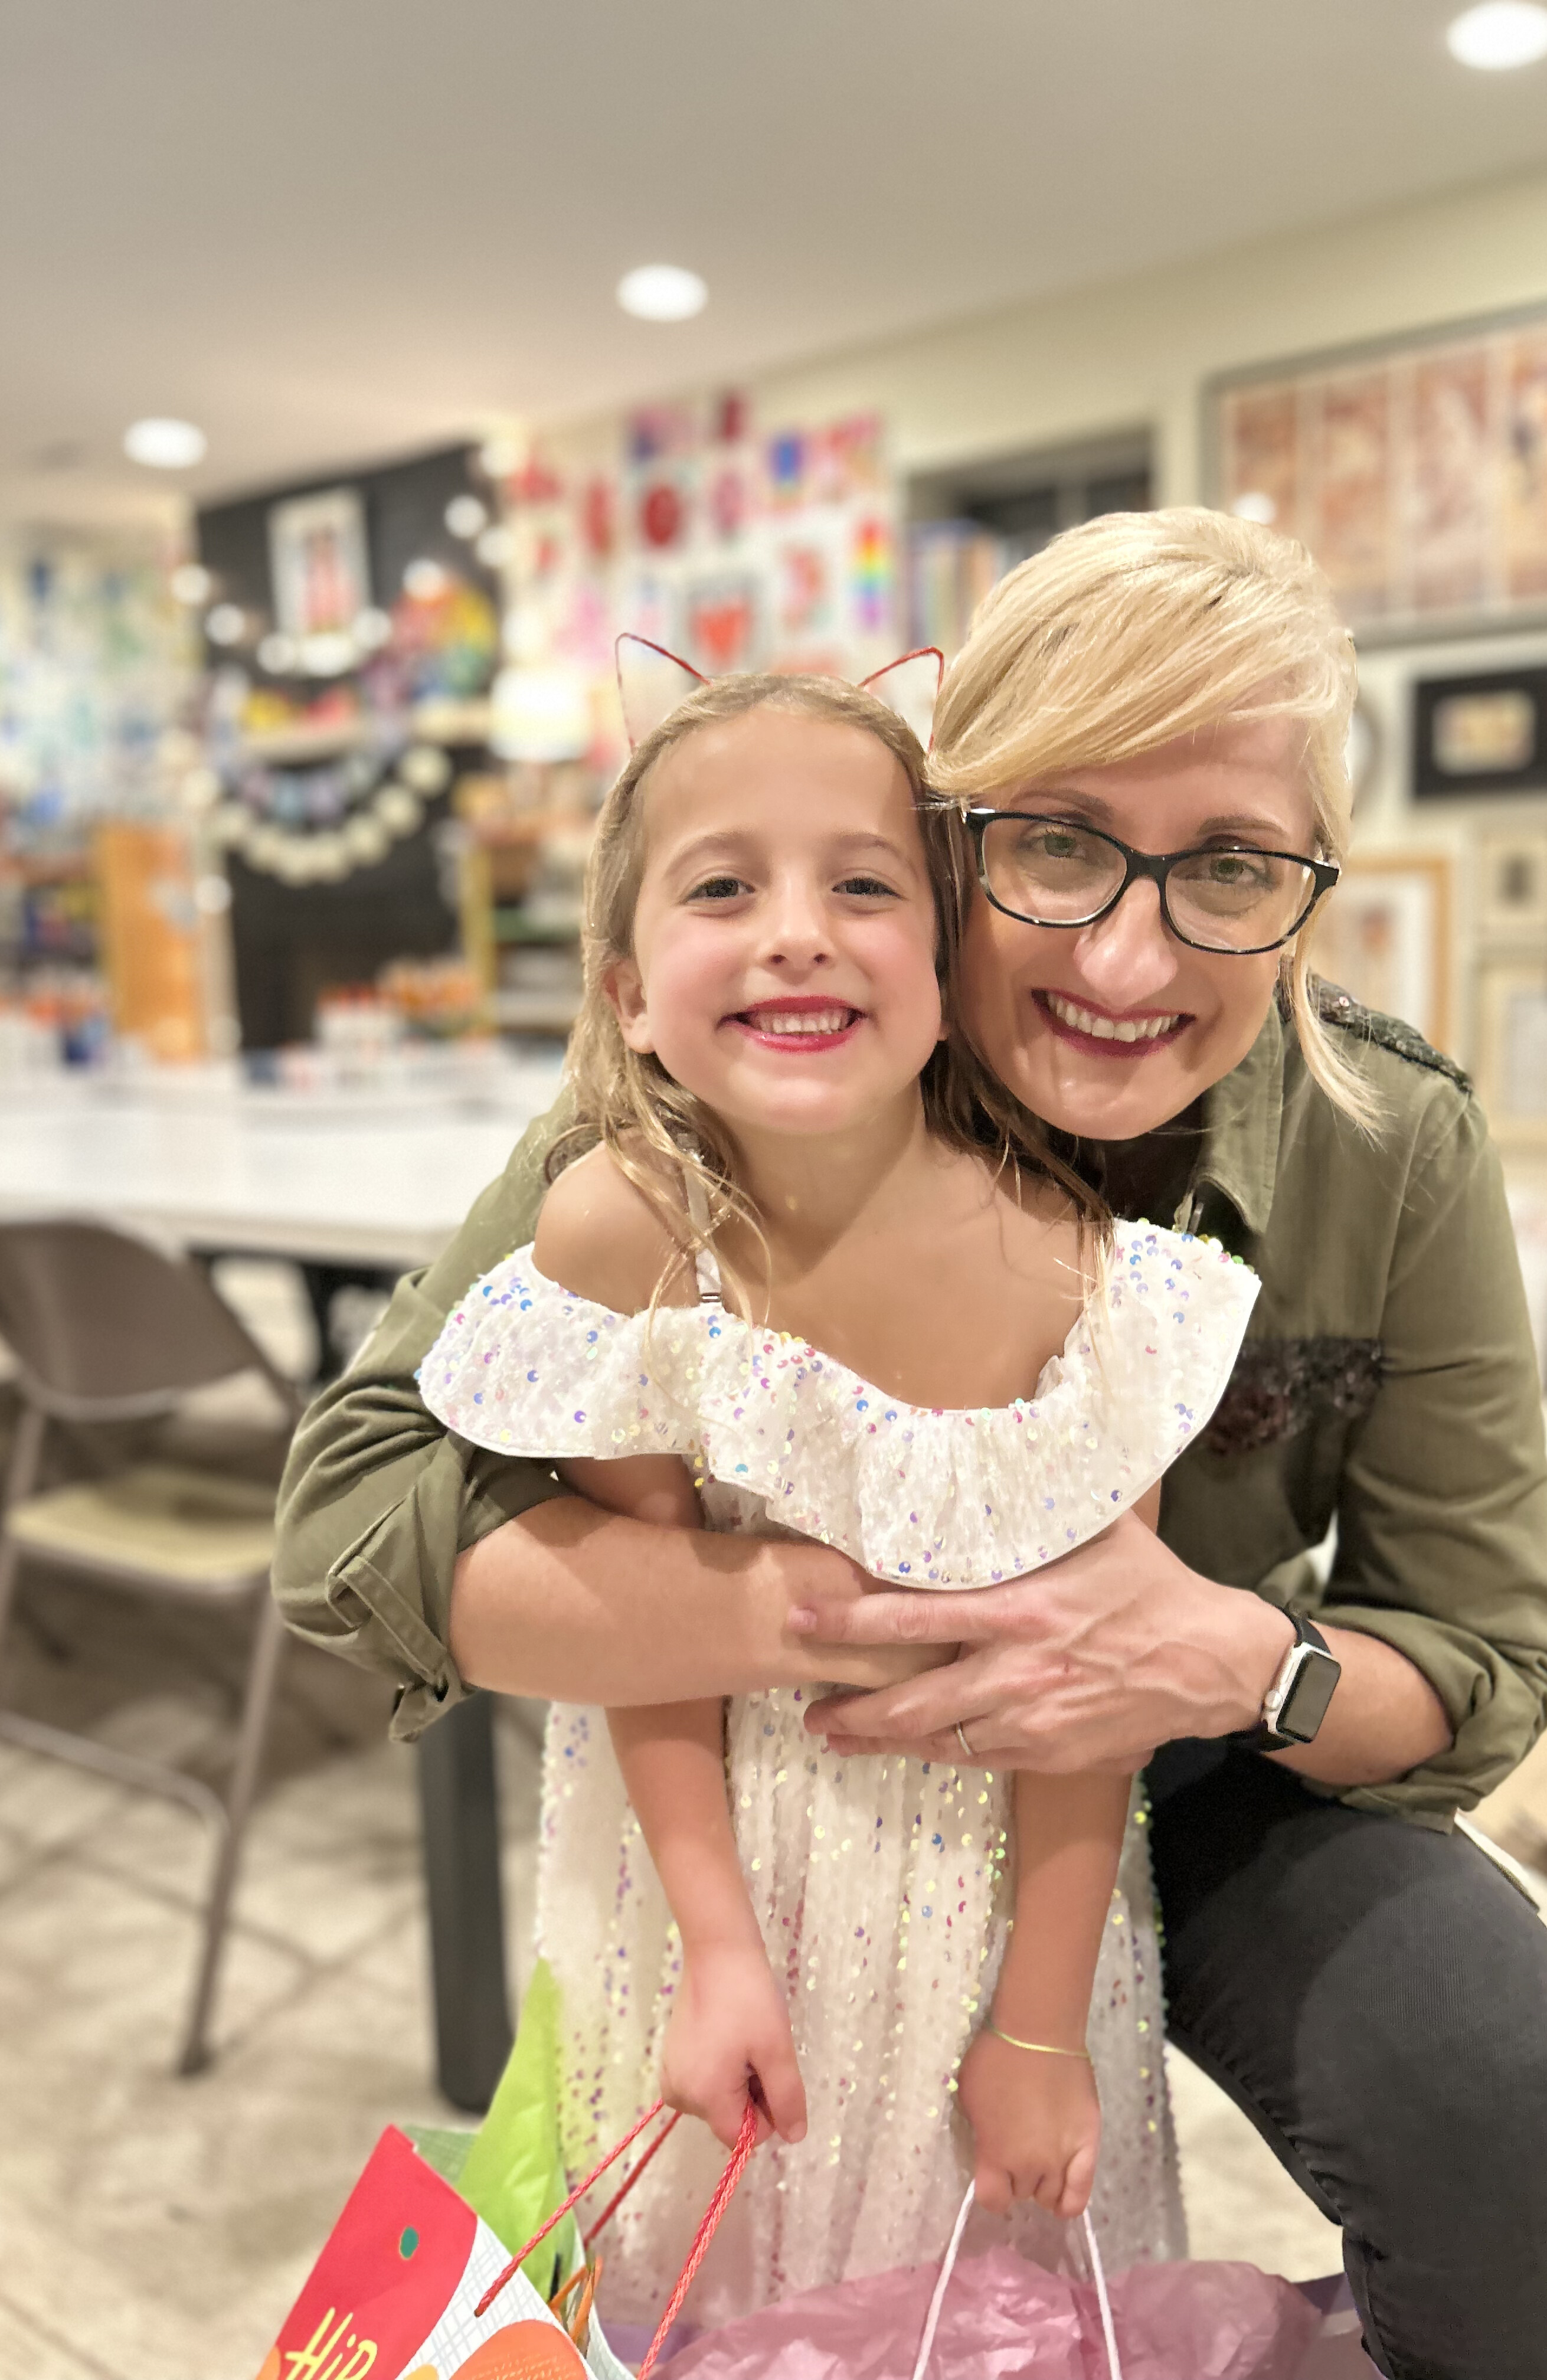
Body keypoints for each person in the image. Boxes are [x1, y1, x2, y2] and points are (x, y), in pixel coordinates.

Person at [275, 510, 1547, 2380]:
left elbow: (1484, 1664)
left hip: (1209, 1755)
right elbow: (357, 1520)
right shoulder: (744, 1064)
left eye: (1233, 865)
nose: (1126, 950)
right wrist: (812, 1617)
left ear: (1309, 891)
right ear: (954, 849)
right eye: (1059, 845)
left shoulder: (1388, 1143)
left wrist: (1230, 1657)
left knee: (1502, 2086)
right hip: (791, 1757)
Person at [416, 664, 1260, 2321]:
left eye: (863, 884)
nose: (796, 930)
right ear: (629, 988)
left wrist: (1033, 2033)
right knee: (708, 2300)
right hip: (700, 1897)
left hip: (994, 1932)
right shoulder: (620, 1232)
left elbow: (1092, 1702)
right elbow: (637, 1631)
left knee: (967, 2310)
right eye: (724, 886)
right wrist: (717, 1951)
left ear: (947, 972)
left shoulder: (1083, 1283)